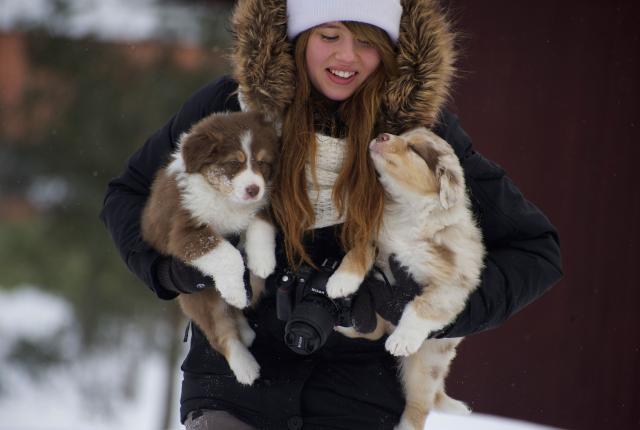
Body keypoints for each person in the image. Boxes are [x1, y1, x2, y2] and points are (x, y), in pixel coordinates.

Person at [100, 0, 563, 429]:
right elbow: (129, 193)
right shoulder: (233, 108)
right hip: (233, 388)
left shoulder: (416, 136)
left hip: (357, 403)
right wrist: (168, 270)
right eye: (330, 35)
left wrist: (414, 308)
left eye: (367, 41)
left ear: (390, 50)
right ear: (299, 37)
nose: (348, 56)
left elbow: (535, 250)